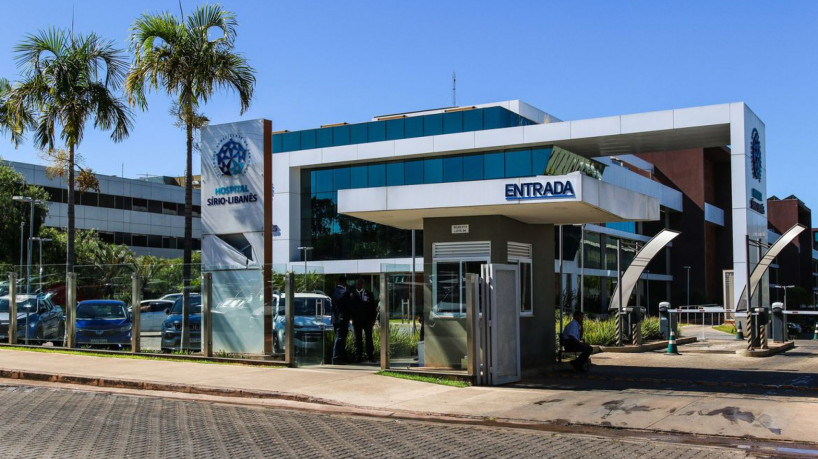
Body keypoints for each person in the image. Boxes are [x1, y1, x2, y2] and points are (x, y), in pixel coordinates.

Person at [347, 277, 377, 363]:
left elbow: (373, 307)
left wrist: (373, 319)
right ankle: (358, 356)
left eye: (360, 284)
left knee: (369, 338)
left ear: (363, 285)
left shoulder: (369, 294)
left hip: (367, 320)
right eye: (357, 284)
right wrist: (351, 319)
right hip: (357, 321)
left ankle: (370, 356)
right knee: (358, 339)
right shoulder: (352, 295)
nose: (358, 285)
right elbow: (351, 308)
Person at [330, 276, 349, 365]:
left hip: (335, 318)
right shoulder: (344, 293)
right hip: (342, 318)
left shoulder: (334, 291)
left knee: (339, 337)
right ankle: (336, 357)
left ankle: (341, 356)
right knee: (340, 337)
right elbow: (345, 307)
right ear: (344, 282)